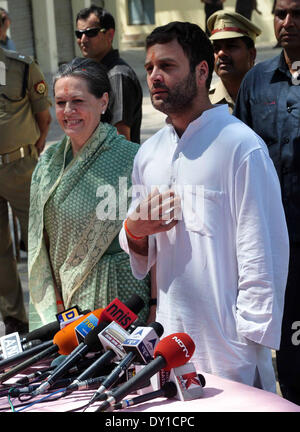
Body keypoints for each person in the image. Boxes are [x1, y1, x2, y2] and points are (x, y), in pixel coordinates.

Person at [119, 21, 289, 392]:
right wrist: (135, 230)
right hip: (170, 343)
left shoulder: (241, 147)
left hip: (229, 349)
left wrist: (248, 343)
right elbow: (140, 250)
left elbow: (264, 253)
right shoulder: (149, 154)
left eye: (167, 66)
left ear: (201, 71)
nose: (155, 77)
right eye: (149, 68)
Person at [27, 58, 150, 331]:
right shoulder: (48, 166)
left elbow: (157, 244)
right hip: (68, 303)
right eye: (60, 102)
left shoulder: (134, 159)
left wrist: (154, 306)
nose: (68, 111)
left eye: (78, 101)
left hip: (121, 298)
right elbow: (39, 246)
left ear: (103, 102)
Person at [234, 0, 300, 404]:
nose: (287, 23)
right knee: (284, 347)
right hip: (272, 242)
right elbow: (237, 156)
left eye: (297, 13)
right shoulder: (256, 83)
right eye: (280, 14)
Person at [0, 13, 51, 335]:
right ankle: (13, 317)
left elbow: (43, 118)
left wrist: (31, 151)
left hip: (21, 167)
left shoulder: (20, 66)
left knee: (36, 242)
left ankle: (44, 313)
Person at [75, 4, 143, 144]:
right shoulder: (96, 73)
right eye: (79, 34)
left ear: (110, 34)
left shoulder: (118, 76)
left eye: (91, 33)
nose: (83, 39)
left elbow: (121, 137)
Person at [207, 11, 261, 112]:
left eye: (231, 46)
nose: (221, 53)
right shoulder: (204, 104)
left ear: (252, 54)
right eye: (216, 48)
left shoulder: (270, 96)